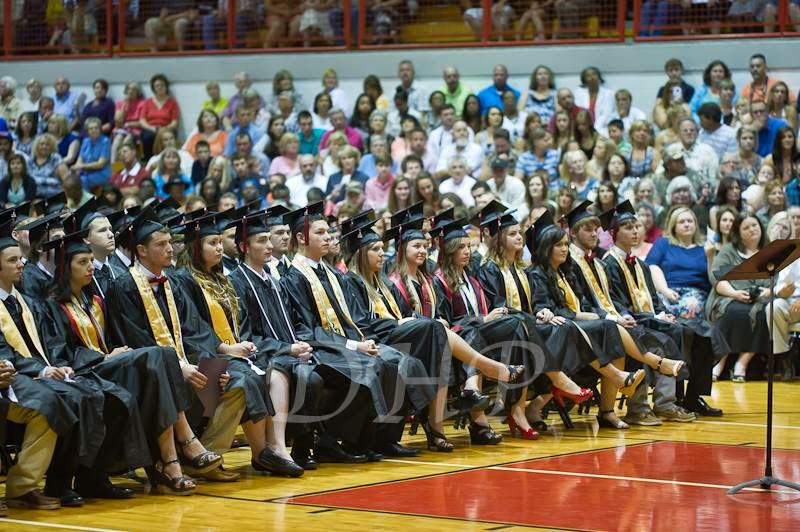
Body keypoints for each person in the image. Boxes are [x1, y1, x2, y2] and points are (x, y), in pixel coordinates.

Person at [43, 229, 223, 496]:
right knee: (159, 355)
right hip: (86, 371)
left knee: (161, 359)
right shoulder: (52, 306)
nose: (91, 266)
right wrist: (105, 357)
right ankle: (186, 443)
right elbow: (60, 354)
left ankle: (171, 461)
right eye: (82, 262)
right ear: (64, 268)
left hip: (110, 366)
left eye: (91, 260)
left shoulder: (95, 301)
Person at [105, 207, 246, 483]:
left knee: (234, 381)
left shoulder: (173, 284)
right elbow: (137, 340)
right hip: (146, 370)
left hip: (181, 361)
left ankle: (205, 458)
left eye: (170, 243)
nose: (171, 249)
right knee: (169, 378)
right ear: (142, 251)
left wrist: (208, 363)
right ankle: (182, 452)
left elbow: (193, 330)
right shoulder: (124, 287)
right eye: (161, 244)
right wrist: (179, 367)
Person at [474, 201, 597, 438]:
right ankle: (547, 389)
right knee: (529, 331)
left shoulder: (520, 269)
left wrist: (541, 314)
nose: (519, 237)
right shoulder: (489, 269)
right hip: (501, 333)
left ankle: (539, 399)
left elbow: (529, 307)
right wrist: (531, 317)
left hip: (524, 326)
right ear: (499, 240)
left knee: (562, 328)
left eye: (519, 232)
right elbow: (500, 309)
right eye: (512, 234)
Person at [528, 212, 647, 429]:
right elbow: (547, 309)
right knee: (604, 328)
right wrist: (583, 316)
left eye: (565, 244)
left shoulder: (565, 273)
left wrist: (593, 316)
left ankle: (608, 410)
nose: (564, 249)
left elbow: (584, 304)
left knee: (609, 328)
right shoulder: (536, 274)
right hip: (555, 331)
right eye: (558, 245)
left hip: (573, 329)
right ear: (547, 248)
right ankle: (627, 375)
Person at [707, 213, 773, 382]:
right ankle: (720, 362)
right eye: (746, 227)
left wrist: (767, 292)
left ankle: (742, 363)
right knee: (732, 311)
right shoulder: (729, 250)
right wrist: (735, 293)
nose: (752, 229)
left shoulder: (770, 251)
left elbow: (778, 279)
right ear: (738, 232)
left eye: (754, 225)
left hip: (761, 298)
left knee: (763, 313)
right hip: (729, 295)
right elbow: (717, 278)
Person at [139, 74, 180, 160]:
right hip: (151, 128)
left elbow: (175, 122)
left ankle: (169, 158)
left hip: (167, 128)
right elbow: (142, 120)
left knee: (168, 137)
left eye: (162, 85)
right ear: (153, 88)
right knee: (147, 137)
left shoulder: (172, 102)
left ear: (166, 86)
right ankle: (150, 160)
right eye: (157, 85)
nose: (160, 87)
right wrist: (152, 128)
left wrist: (164, 129)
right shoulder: (147, 102)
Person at [73, 117, 111, 193]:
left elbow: (100, 164)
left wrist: (81, 166)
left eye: (96, 128)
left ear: (100, 129)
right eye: (91, 128)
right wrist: (76, 171)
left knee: (82, 180)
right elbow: (80, 160)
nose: (93, 130)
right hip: (85, 173)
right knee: (70, 180)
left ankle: (86, 204)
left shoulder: (105, 141)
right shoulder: (85, 141)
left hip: (102, 173)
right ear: (87, 131)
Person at [573, 67, 614, 133]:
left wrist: (594, 128)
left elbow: (607, 114)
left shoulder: (608, 94)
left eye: (594, 74)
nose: (592, 77)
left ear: (599, 77)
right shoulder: (578, 93)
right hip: (583, 127)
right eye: (588, 75)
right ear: (584, 80)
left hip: (602, 128)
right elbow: (579, 112)